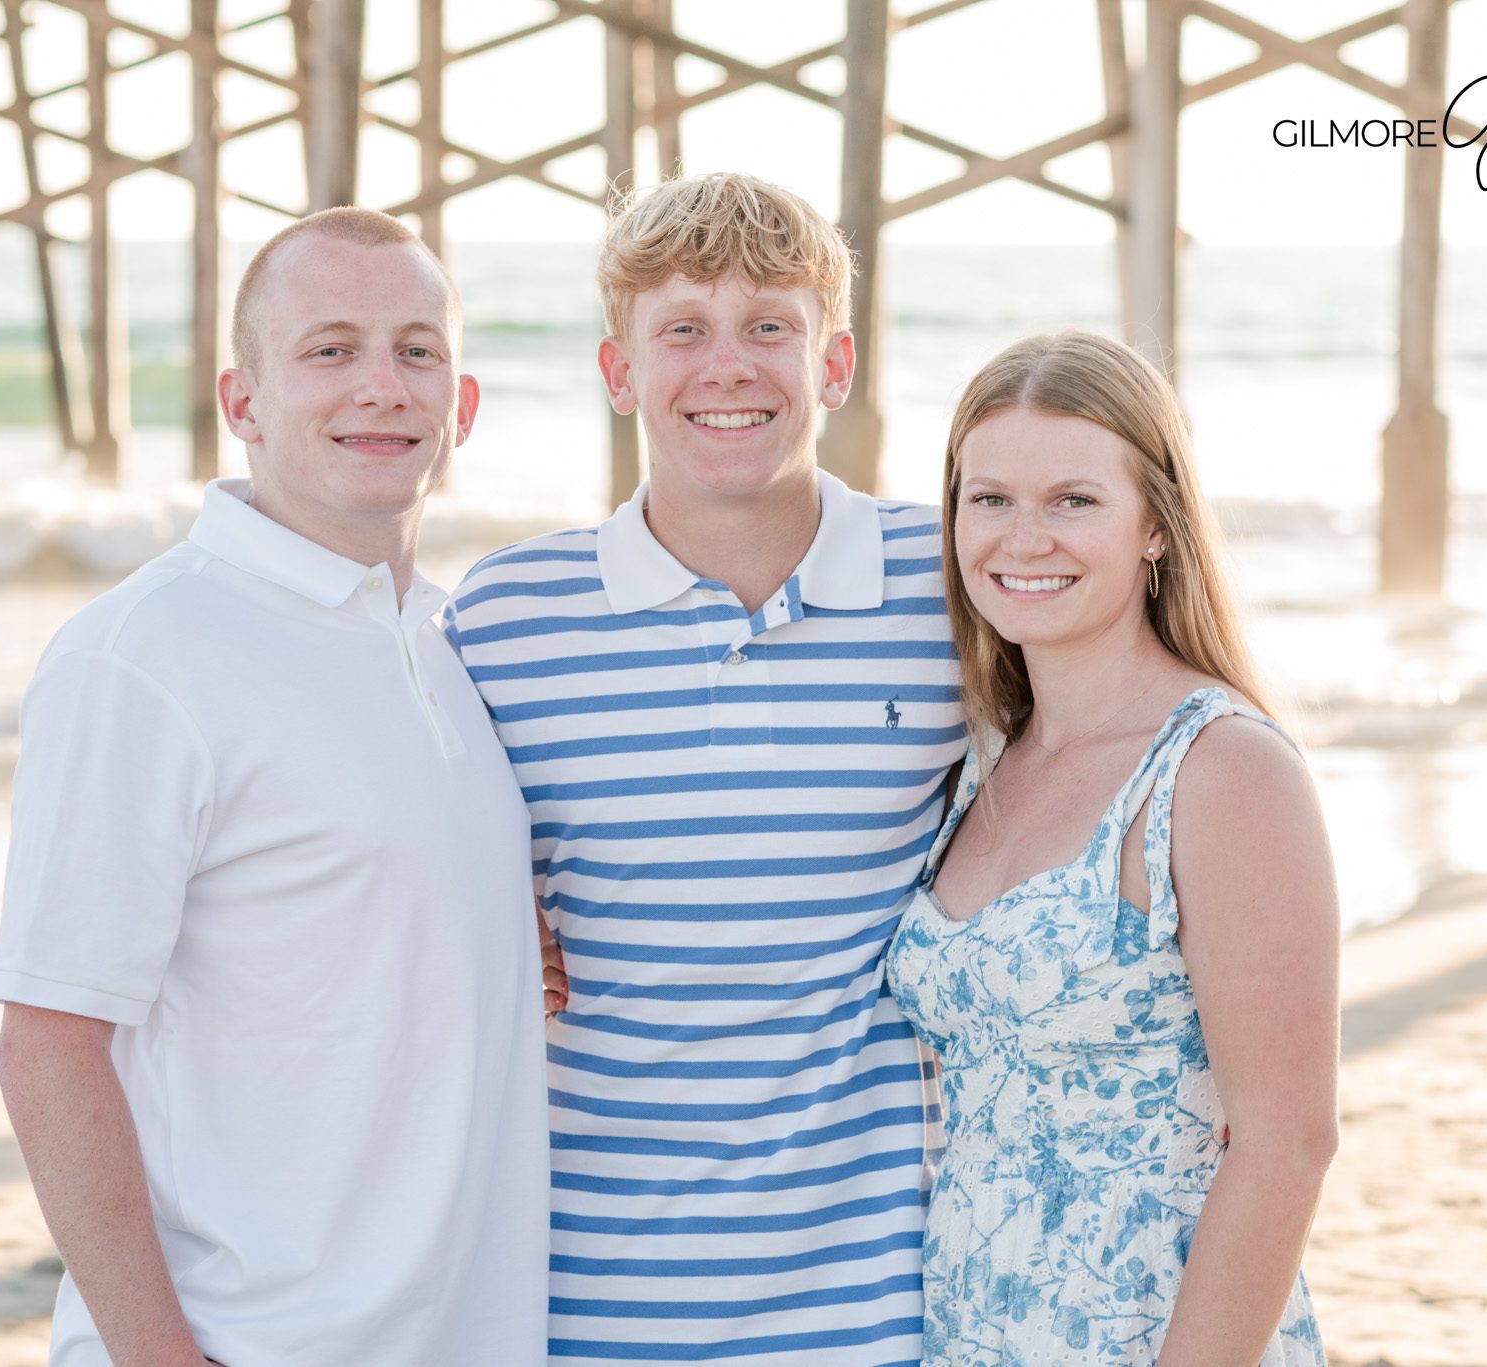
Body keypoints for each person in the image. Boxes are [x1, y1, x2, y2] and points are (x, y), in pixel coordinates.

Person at [0, 207, 553, 1367]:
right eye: (329, 348)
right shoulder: (142, 654)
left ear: (465, 404)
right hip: (241, 1341)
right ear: (242, 401)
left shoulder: (454, 641)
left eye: (416, 349)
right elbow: (49, 1040)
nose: (381, 386)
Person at [445, 173, 967, 1363]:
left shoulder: (950, 588)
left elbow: (1094, 770)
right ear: (618, 370)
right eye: (681, 328)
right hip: (580, 1299)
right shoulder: (503, 621)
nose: (725, 365)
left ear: (832, 366)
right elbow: (383, 852)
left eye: (768, 327)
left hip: (880, 1309)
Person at [884, 330, 1339, 1366]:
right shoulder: (982, 757)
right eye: (986, 497)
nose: (1021, 537)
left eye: (1072, 500)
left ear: (1155, 528)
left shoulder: (1219, 769)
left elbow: (1287, 1141)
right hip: (973, 1335)